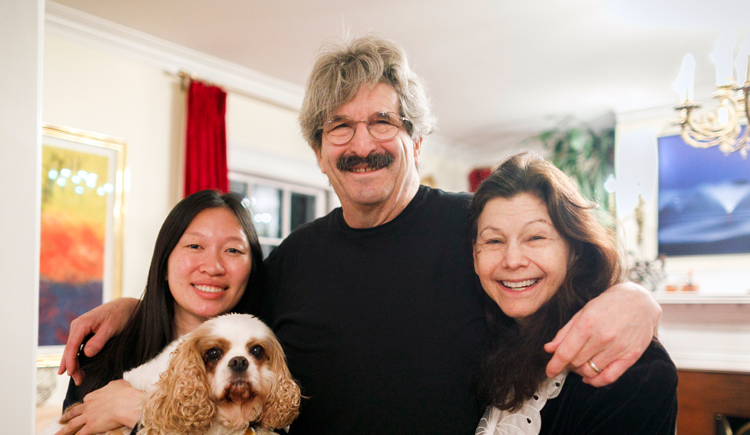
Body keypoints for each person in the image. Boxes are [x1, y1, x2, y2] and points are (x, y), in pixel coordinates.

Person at [59, 35, 662, 435]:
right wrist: (137, 305)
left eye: (382, 121)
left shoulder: (476, 229)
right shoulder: (292, 260)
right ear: (319, 155)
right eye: (339, 128)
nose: (362, 144)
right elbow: (218, 331)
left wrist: (636, 299)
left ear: (417, 143)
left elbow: (558, 275)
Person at [471, 152, 677, 434]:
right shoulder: (475, 337)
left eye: (536, 237)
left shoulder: (629, 367)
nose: (512, 260)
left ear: (574, 249)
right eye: (494, 240)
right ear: (474, 255)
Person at [55, 189, 264, 435]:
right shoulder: (105, 355)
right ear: (163, 264)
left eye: (233, 250)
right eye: (195, 246)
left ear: (252, 268)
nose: (213, 267)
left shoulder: (264, 366)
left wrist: (143, 411)